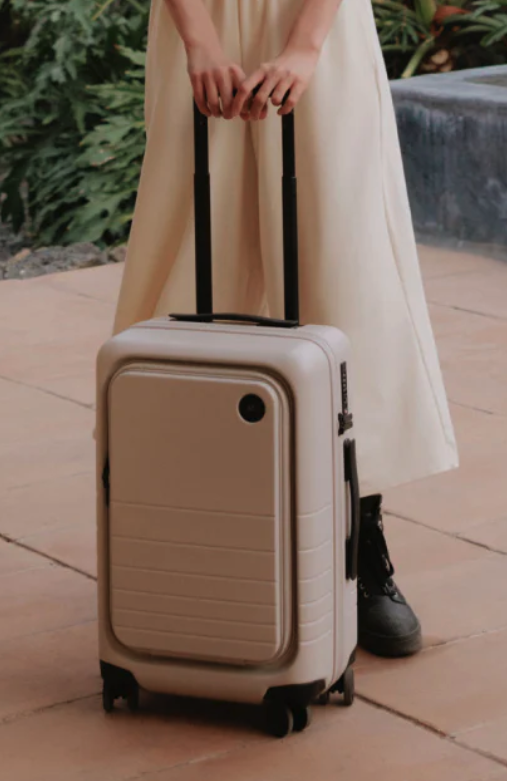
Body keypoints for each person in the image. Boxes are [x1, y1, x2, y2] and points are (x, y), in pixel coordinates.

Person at [112, 0, 459, 657]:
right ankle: (198, 538)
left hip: (320, 27)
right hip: (200, 29)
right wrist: (200, 37)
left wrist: (304, 44)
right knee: (190, 266)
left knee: (345, 273)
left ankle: (361, 538)